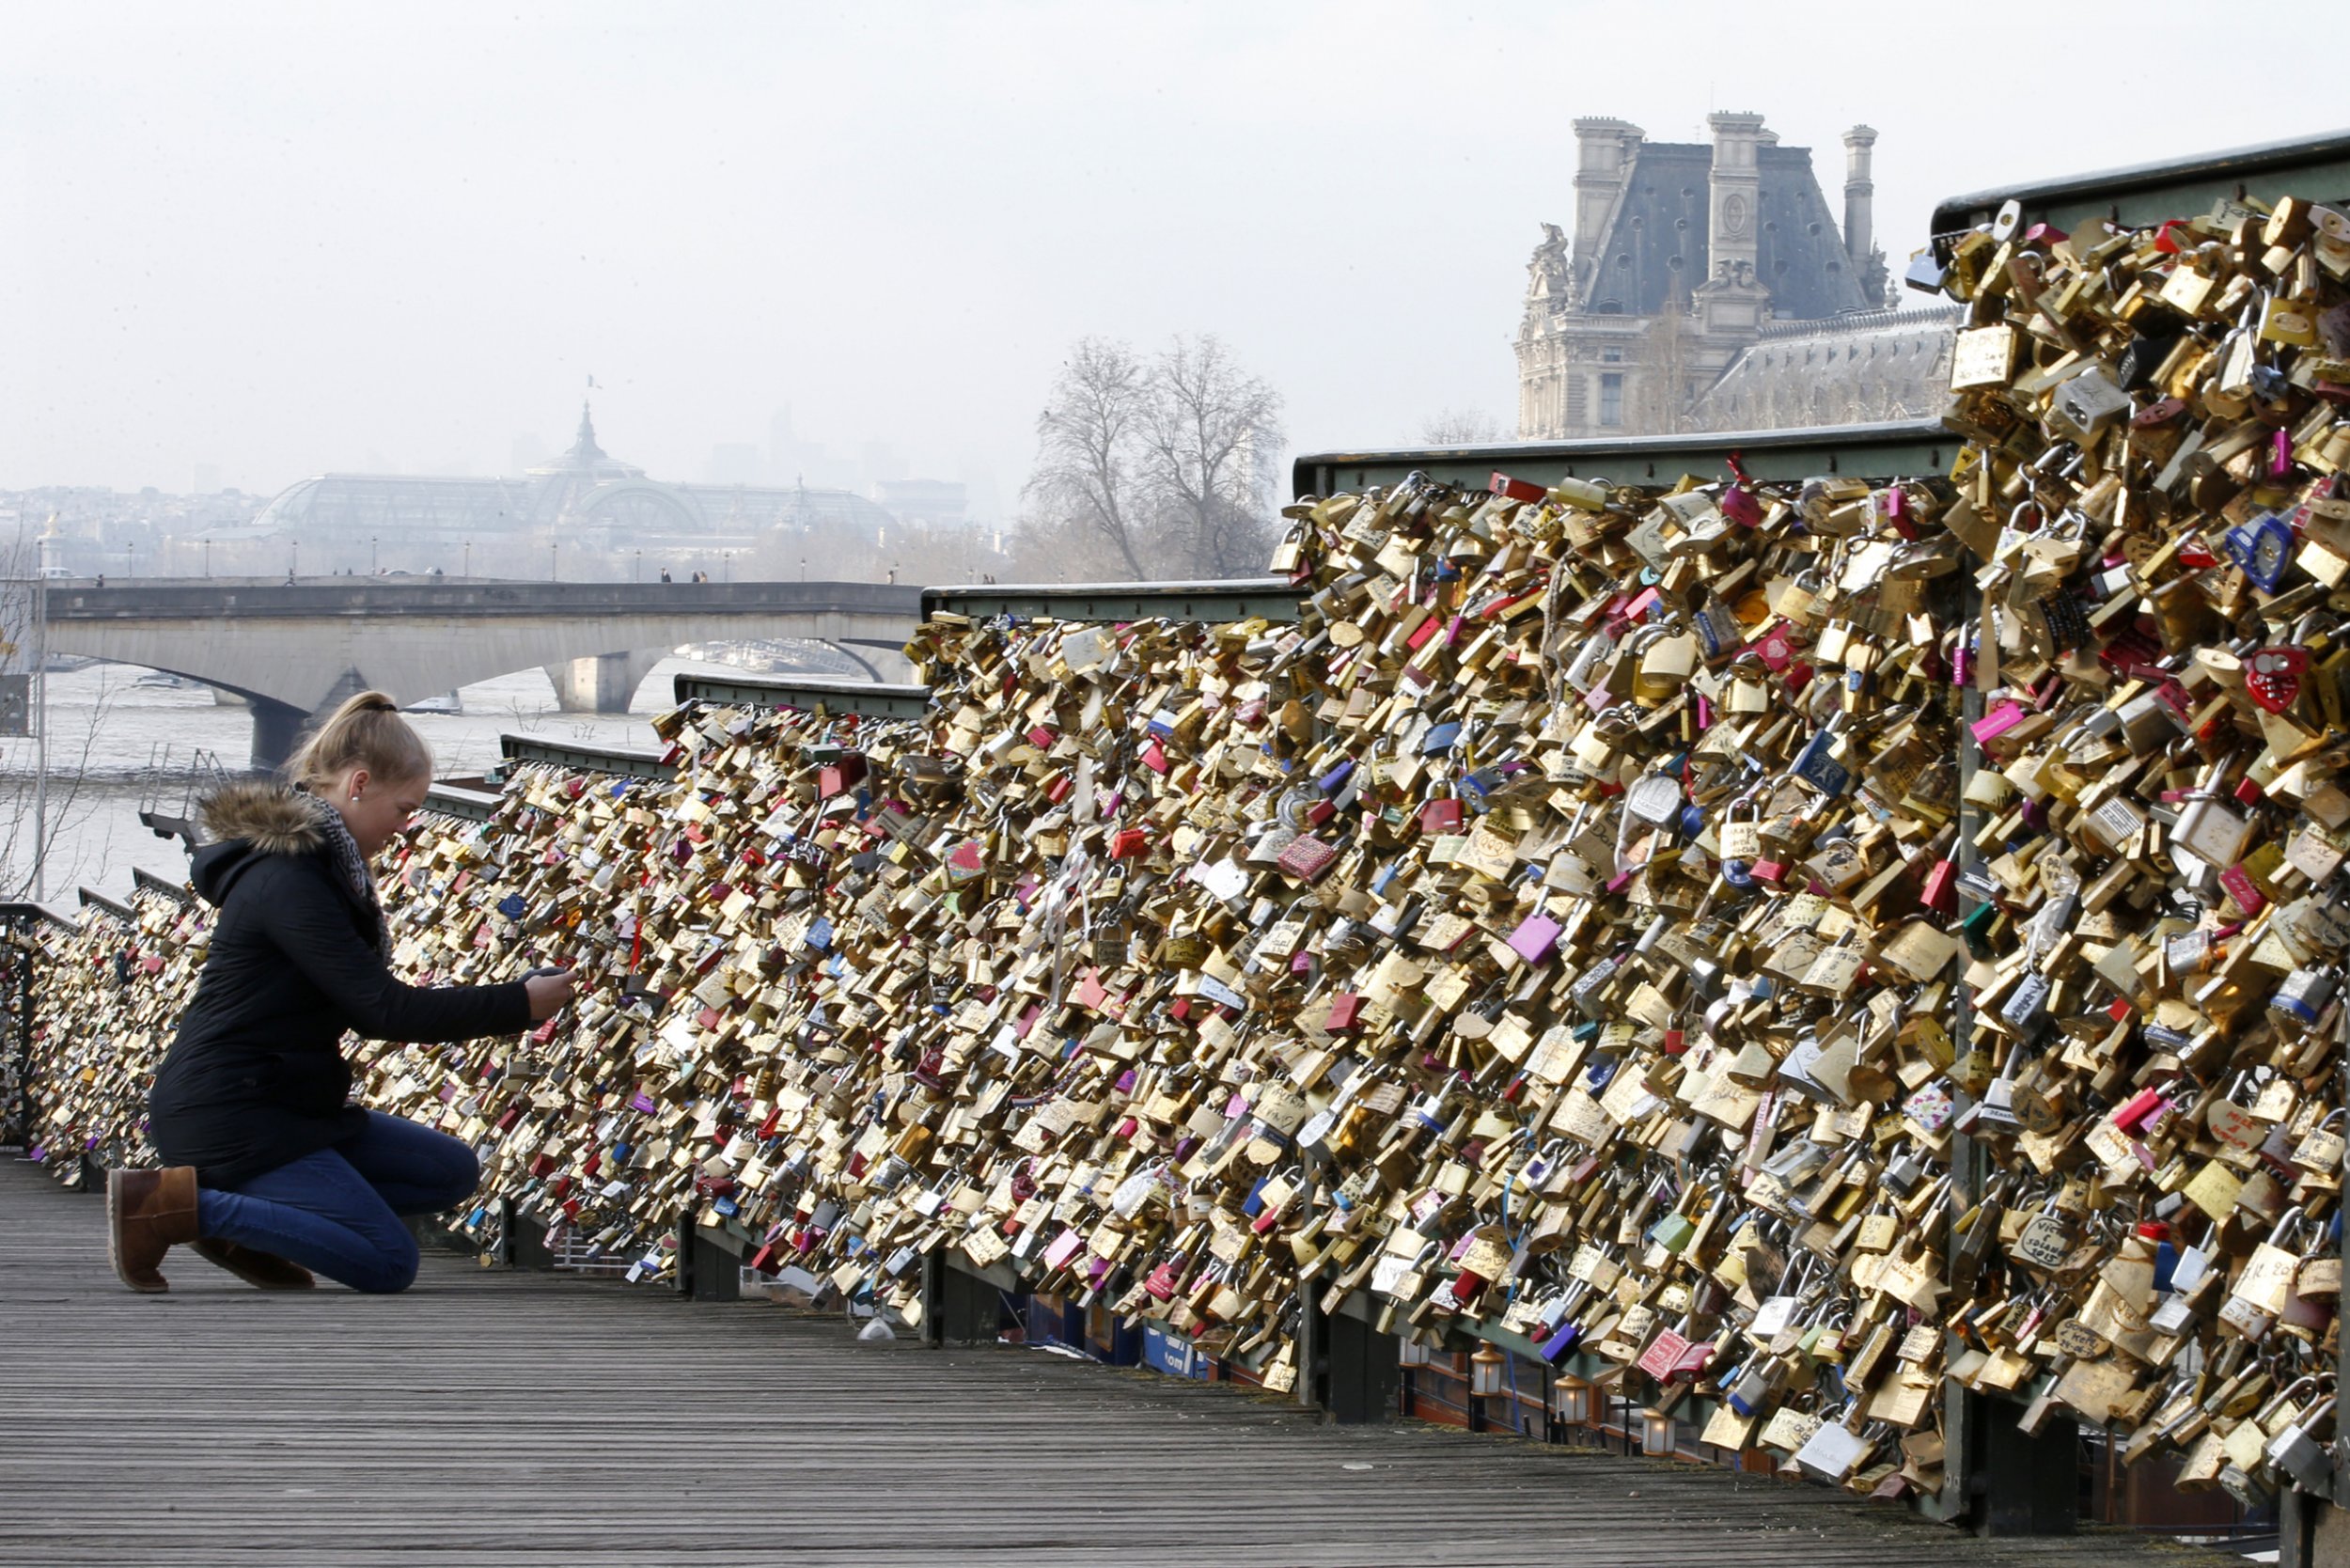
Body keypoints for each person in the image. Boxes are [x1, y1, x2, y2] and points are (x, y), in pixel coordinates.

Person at [109, 691, 574, 1294]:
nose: (407, 829)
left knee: (449, 1171)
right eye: (404, 809)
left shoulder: (323, 868)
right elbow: (383, 1009)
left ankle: (247, 1219)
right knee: (386, 1263)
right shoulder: (290, 879)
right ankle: (174, 1208)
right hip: (233, 1114)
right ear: (358, 784)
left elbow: (375, 1008)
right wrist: (519, 1004)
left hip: (290, 1105)